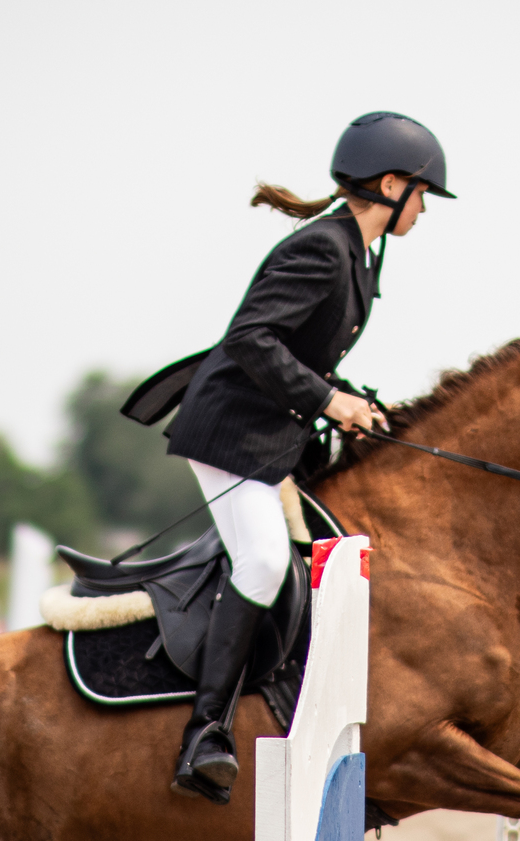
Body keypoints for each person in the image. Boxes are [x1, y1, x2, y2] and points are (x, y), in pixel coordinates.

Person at [161, 111, 454, 803]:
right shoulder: (323, 248)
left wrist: (353, 401)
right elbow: (252, 341)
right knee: (262, 560)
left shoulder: (357, 253)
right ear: (391, 185)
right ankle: (204, 734)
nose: (423, 211)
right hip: (231, 433)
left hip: (272, 433)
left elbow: (302, 353)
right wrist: (328, 401)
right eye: (421, 196)